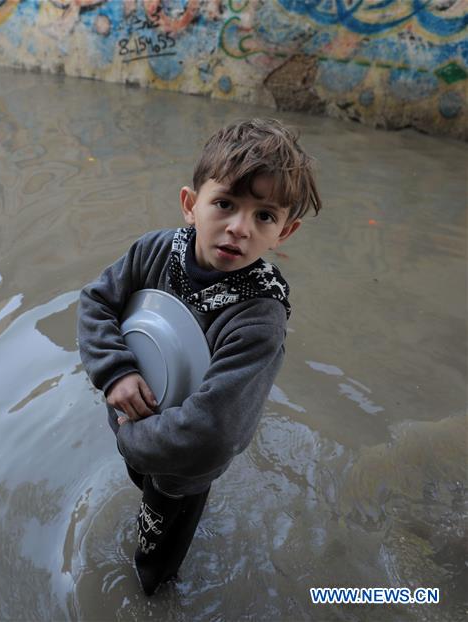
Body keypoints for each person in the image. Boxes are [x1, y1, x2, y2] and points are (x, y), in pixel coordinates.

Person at [77, 118, 322, 595]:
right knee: (142, 487)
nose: (238, 228)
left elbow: (212, 431)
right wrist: (115, 372)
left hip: (183, 462)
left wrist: (133, 440)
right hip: (132, 415)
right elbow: (96, 302)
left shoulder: (258, 317)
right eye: (225, 204)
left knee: (155, 556)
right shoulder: (155, 252)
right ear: (191, 205)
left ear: (284, 233)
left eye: (264, 216)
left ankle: (160, 592)